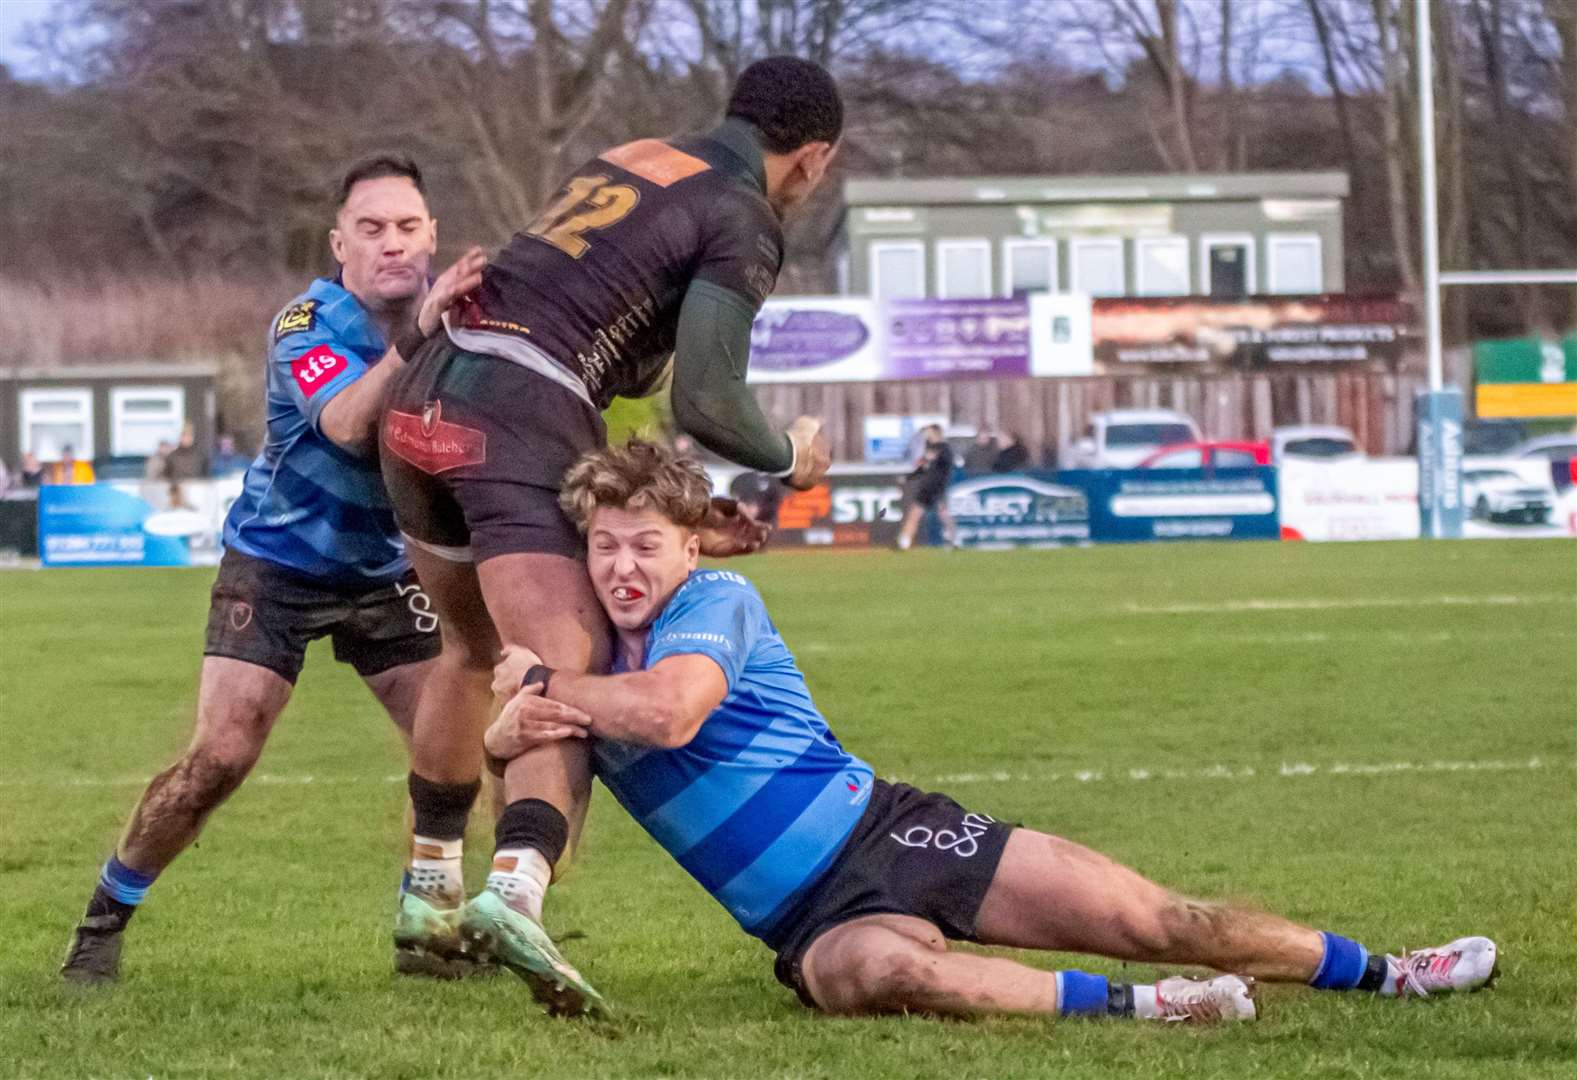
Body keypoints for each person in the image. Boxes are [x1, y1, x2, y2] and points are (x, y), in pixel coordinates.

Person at [484, 438, 1500, 1022]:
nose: (624, 566)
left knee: (1164, 921)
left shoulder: (714, 601)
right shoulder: (571, 658)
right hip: (808, 923)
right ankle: (1152, 1009)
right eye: (605, 546)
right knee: (876, 979)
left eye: (645, 545)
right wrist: (508, 728)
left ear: (686, 545)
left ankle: (1385, 970)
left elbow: (669, 712)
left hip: (891, 835)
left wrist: (539, 686)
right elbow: (524, 769)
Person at [378, 55, 840, 1012]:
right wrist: (791, 454)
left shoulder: (633, 157)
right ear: (812, 160)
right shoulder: (744, 215)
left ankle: (428, 893)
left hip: (425, 394)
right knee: (561, 667)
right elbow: (708, 403)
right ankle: (513, 891)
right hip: (518, 408)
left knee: (468, 652)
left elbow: (625, 369)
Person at [60, 154, 486, 986]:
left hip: (387, 568)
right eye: (371, 230)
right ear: (340, 244)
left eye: (407, 227)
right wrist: (422, 330)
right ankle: (105, 916)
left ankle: (426, 928)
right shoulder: (306, 323)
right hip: (277, 562)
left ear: (432, 234)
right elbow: (350, 424)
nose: (392, 244)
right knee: (219, 758)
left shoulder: (469, 319)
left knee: (451, 746)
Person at [896, 424, 955, 550]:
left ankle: (953, 539)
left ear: (936, 433)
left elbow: (946, 465)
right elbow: (922, 468)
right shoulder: (929, 448)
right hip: (926, 487)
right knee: (914, 513)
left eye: (929, 433)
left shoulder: (945, 449)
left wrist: (935, 457)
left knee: (943, 513)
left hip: (938, 487)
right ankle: (904, 542)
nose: (927, 436)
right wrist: (908, 478)